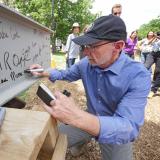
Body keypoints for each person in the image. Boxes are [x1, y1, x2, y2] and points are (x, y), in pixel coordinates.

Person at [30, 15, 151, 160]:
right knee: (49, 142)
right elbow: (66, 73)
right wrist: (44, 71)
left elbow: (128, 127)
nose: (86, 53)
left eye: (93, 46)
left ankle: (85, 137)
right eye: (85, 46)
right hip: (89, 116)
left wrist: (75, 116)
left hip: (112, 126)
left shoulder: (138, 75)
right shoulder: (85, 63)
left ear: (118, 46)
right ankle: (84, 139)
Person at [144, 31, 160, 98]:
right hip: (152, 54)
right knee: (145, 67)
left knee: (158, 71)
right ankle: (137, 83)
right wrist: (154, 38)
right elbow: (148, 43)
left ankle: (153, 90)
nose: (159, 35)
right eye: (158, 34)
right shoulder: (154, 39)